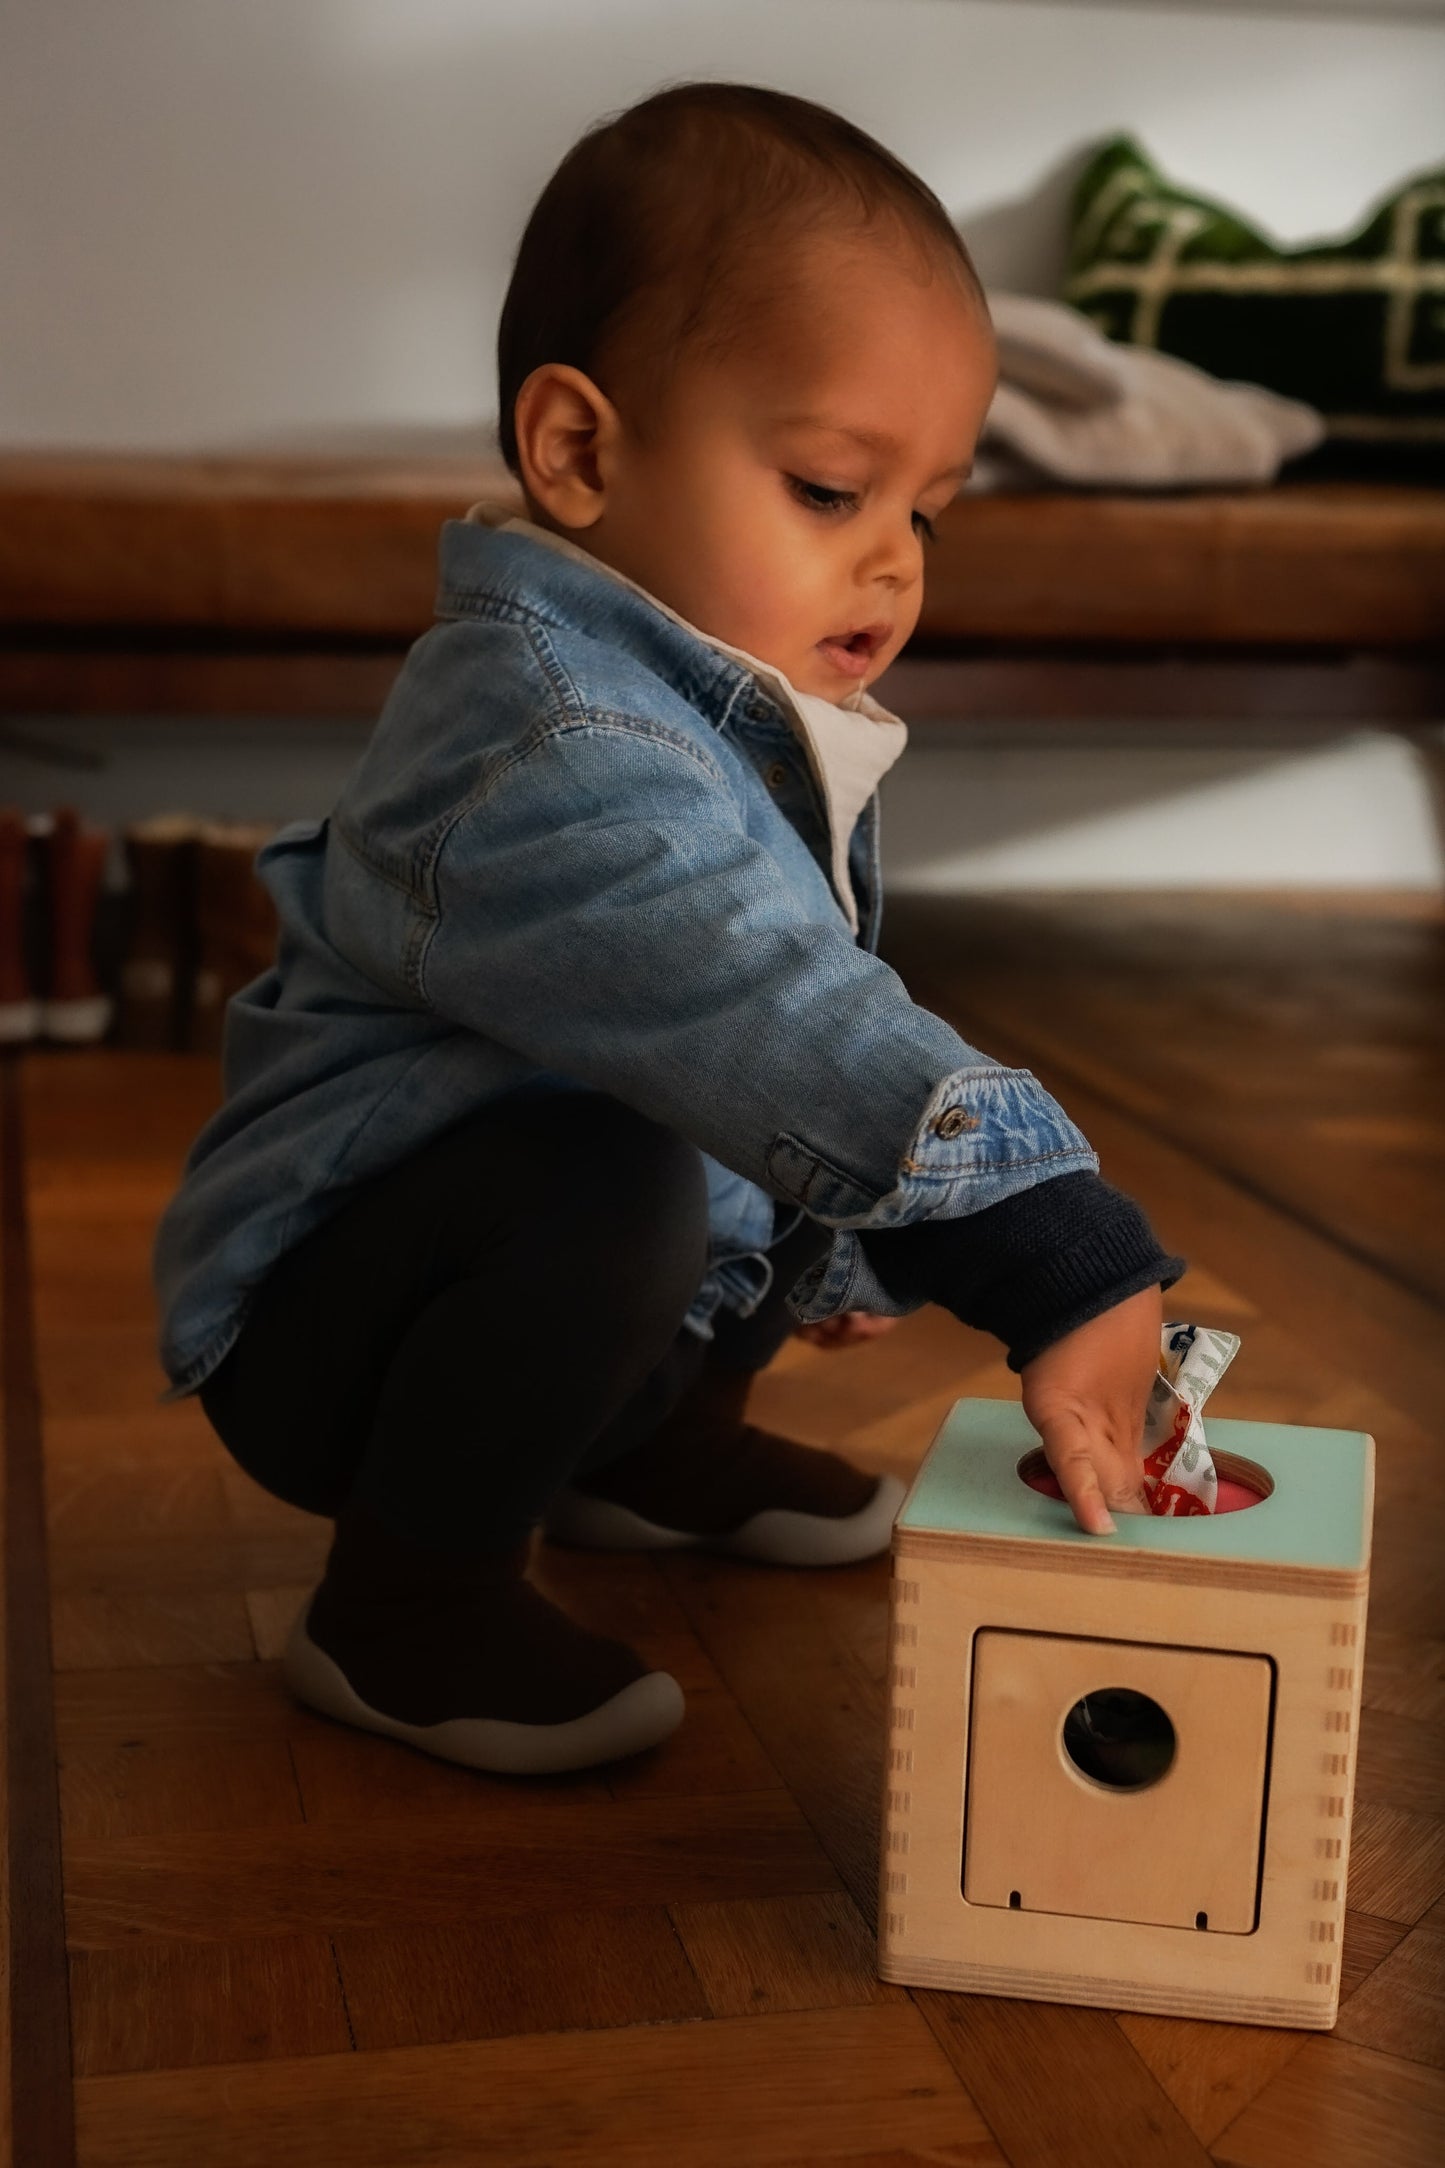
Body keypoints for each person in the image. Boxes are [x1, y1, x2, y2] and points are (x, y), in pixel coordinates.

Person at [153, 82, 1183, 1778]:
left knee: (744, 1099)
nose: (894, 564)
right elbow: (758, 1001)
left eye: (924, 510)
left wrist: (851, 1238)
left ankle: (647, 1449)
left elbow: (796, 1024)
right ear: (578, 452)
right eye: (828, 487)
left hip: (575, 1297)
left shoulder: (726, 706)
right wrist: (1046, 1249)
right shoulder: (552, 746)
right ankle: (404, 1599)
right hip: (333, 1343)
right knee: (634, 1146)